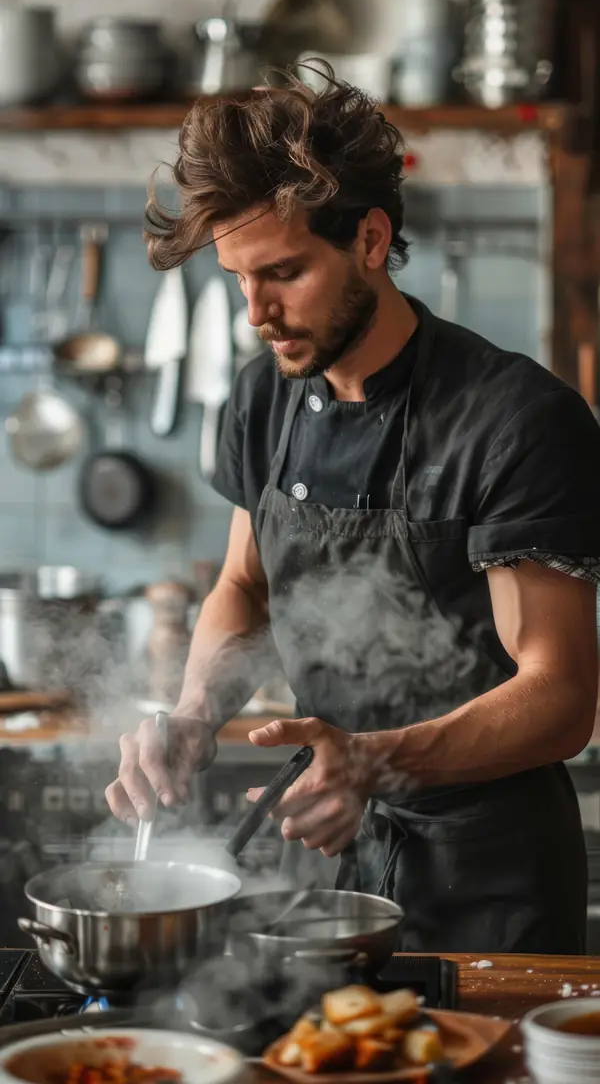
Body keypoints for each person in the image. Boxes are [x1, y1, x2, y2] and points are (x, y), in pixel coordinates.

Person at [107, 67, 600, 953]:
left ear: (371, 239)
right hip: (325, 852)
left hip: (490, 882)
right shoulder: (262, 400)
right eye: (238, 280)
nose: (256, 312)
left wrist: (373, 759)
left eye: (285, 273)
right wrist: (190, 715)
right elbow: (243, 587)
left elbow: (560, 696)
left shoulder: (513, 420)